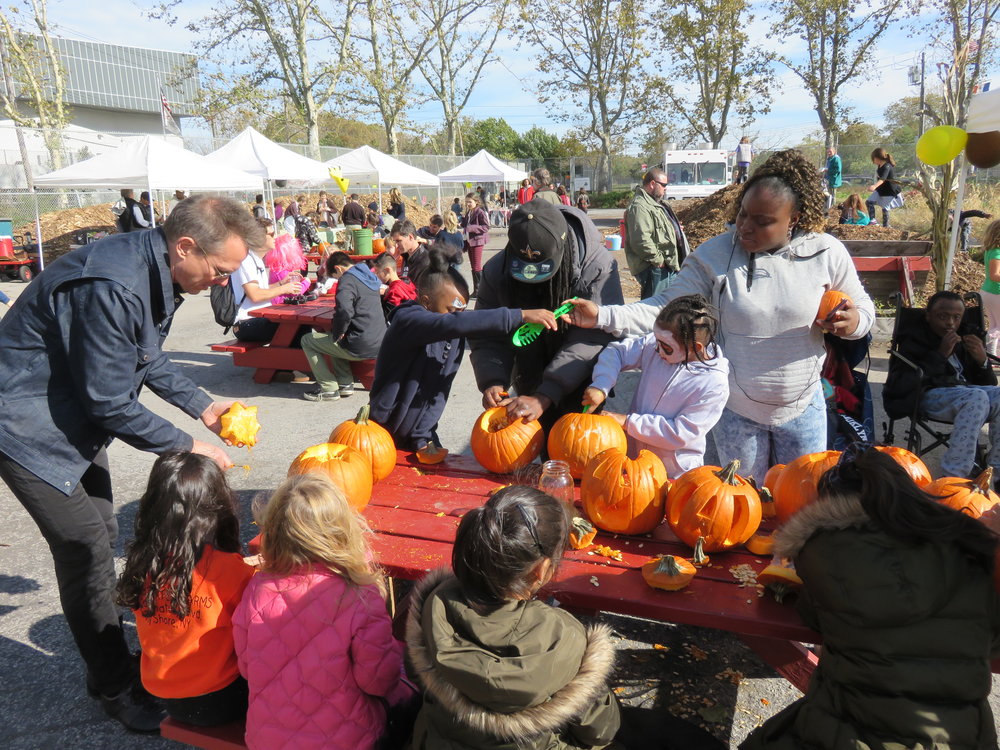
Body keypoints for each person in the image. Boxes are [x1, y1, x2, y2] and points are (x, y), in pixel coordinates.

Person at [0, 194, 257, 732]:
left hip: (69, 420)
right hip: (24, 425)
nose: (223, 281)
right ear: (185, 246)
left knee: (100, 532)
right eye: (219, 270)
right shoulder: (112, 286)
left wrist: (205, 406)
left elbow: (147, 358)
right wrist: (184, 444)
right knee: (85, 548)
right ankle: (115, 686)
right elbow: (107, 399)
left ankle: (111, 653)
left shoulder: (152, 267)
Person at [565, 150, 875, 481]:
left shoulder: (826, 252)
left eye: (763, 221)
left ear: (794, 218)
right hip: (736, 414)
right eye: (742, 214)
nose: (745, 227)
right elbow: (664, 306)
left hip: (803, 409)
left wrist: (853, 322)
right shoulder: (714, 255)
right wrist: (601, 315)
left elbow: (863, 309)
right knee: (742, 502)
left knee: (801, 506)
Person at [741, 446, 1000, 749]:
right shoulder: (969, 552)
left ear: (829, 504)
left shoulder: (825, 550)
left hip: (855, 736)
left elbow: (813, 615)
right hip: (963, 739)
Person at [405, 485, 621, 749]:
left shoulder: (434, 604)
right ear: (541, 570)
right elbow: (600, 730)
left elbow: (412, 674)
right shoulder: (563, 637)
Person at [234, 473, 412, 750]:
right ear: (343, 531)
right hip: (350, 741)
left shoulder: (257, 588)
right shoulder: (360, 596)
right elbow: (379, 681)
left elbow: (247, 667)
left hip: (267, 740)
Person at [369, 248, 556, 457]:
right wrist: (518, 316)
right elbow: (452, 323)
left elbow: (438, 392)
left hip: (419, 436)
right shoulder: (407, 321)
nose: (458, 316)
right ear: (425, 301)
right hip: (379, 432)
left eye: (463, 310)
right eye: (452, 310)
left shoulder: (453, 336)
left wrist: (423, 437)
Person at [116, 452, 253, 727]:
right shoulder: (229, 570)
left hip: (165, 697)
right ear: (217, 506)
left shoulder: (143, 562)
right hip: (223, 697)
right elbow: (256, 625)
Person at [470, 198, 624, 431]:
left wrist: (546, 393)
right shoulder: (497, 269)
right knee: (541, 452)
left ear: (561, 249)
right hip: (529, 369)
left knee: (577, 444)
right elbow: (487, 331)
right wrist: (492, 379)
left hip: (581, 379)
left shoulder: (596, 266)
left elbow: (592, 338)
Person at [583, 295, 730, 478]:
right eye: (657, 342)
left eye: (666, 348)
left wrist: (628, 422)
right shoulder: (656, 344)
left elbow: (681, 432)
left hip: (674, 473)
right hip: (635, 463)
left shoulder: (713, 384)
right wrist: (602, 384)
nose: (658, 350)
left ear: (696, 348)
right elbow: (618, 352)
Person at [883, 290, 999, 481]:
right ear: (928, 316)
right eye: (943, 316)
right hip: (928, 394)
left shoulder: (965, 336)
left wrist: (982, 361)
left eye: (956, 317)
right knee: (977, 397)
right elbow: (902, 384)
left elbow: (986, 385)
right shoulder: (915, 341)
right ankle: (955, 476)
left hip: (966, 394)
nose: (950, 323)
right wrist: (940, 355)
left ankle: (996, 470)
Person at [301, 252, 386, 401]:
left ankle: (328, 388)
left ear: (338, 269)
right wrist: (339, 332)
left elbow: (344, 311)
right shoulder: (369, 275)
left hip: (361, 344)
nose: (337, 280)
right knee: (333, 337)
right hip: (380, 340)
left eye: (336, 276)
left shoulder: (347, 279)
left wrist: (339, 331)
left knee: (308, 340)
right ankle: (345, 383)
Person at [231, 224, 303, 343]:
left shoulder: (256, 259)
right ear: (258, 237)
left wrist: (281, 283)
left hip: (258, 318)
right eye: (271, 234)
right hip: (246, 323)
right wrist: (284, 289)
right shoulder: (246, 261)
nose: (275, 238)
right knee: (298, 326)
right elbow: (255, 295)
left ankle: (295, 359)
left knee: (299, 325)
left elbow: (261, 289)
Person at [625, 168, 682, 299]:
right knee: (652, 312)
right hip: (655, 269)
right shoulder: (640, 206)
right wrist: (658, 261)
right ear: (652, 184)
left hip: (665, 267)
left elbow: (658, 229)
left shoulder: (655, 204)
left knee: (665, 309)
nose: (665, 189)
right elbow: (641, 240)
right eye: (664, 185)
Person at [264, 229, 312, 306]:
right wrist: (306, 282)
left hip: (276, 303)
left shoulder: (276, 270)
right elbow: (296, 292)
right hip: (281, 304)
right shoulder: (283, 272)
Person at [461, 192, 491, 297]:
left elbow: (486, 227)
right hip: (469, 241)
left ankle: (483, 291)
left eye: (470, 202)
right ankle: (476, 291)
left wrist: (471, 227)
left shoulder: (480, 212)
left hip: (478, 241)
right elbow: (464, 225)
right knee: (473, 267)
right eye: (466, 202)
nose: (468, 204)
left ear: (476, 202)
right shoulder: (469, 212)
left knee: (477, 267)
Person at [866, 147, 903, 227]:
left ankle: (886, 226)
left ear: (877, 157)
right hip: (881, 190)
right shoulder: (879, 166)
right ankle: (873, 221)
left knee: (885, 209)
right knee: (869, 202)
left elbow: (883, 179)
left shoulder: (887, 166)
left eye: (873, 158)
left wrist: (874, 186)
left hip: (889, 191)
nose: (873, 161)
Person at [372, 250, 416, 316]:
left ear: (387, 270)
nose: (376, 275)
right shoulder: (406, 281)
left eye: (377, 272)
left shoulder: (394, 291)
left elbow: (389, 315)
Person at [979, 220, 1000, 355]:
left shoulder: (991, 250)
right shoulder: (997, 252)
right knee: (997, 327)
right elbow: (995, 275)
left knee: (994, 326)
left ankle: (991, 356)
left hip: (987, 292)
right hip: (996, 292)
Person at [823, 146, 842, 211]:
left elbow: (838, 170)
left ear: (834, 151)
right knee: (827, 195)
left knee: (832, 196)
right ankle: (828, 207)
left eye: (830, 151)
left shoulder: (836, 159)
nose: (829, 153)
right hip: (828, 179)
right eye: (828, 151)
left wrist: (827, 170)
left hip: (834, 180)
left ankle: (832, 209)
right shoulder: (829, 158)